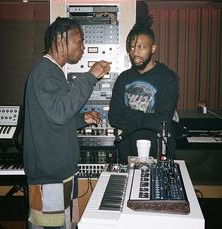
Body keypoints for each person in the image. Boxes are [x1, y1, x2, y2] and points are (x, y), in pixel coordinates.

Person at [23, 17, 111, 229]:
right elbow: (60, 112)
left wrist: (82, 119)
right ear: (62, 40)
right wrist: (90, 76)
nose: (83, 48)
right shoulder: (45, 72)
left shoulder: (53, 71)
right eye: (79, 42)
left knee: (65, 225)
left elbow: (53, 119)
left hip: (59, 173)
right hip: (49, 176)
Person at [108, 16, 179, 164]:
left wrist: (128, 115)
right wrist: (148, 119)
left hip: (159, 155)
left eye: (141, 47)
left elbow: (162, 122)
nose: (135, 52)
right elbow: (114, 117)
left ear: (153, 48)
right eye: (132, 47)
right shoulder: (123, 78)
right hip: (127, 155)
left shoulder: (168, 78)